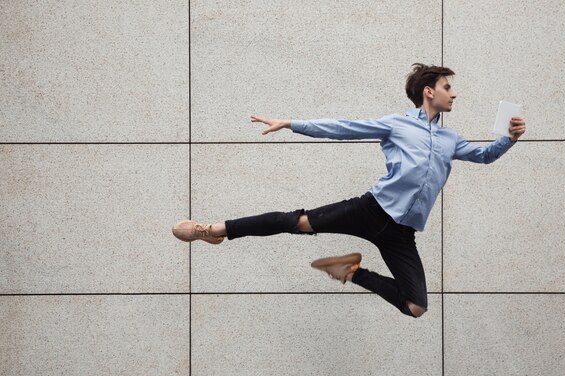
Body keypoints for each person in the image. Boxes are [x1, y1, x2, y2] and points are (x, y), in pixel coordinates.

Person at [172, 63, 526, 318]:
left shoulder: (451, 139)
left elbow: (483, 156)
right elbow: (344, 128)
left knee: (416, 306)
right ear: (428, 92)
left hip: (402, 234)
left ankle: (351, 272)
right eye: (448, 87)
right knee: (298, 222)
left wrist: (508, 139)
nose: (454, 94)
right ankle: (214, 229)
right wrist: (292, 124)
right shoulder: (398, 125)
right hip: (372, 210)